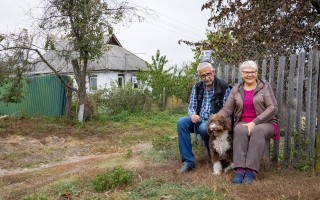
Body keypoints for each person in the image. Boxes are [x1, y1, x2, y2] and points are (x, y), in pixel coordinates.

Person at [217, 60, 279, 184]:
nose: (250, 75)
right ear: (241, 74)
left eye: (253, 72)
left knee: (257, 131)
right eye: (246, 72)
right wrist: (215, 118)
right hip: (244, 122)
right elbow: (227, 109)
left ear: (256, 73)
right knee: (239, 130)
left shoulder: (264, 86)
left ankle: (250, 171)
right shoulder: (236, 89)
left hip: (265, 122)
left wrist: (255, 122)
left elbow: (273, 108)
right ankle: (240, 170)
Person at [177, 62, 230, 174]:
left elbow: (227, 109)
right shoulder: (197, 87)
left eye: (208, 74)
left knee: (203, 128)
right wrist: (192, 115)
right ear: (199, 76)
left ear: (213, 72)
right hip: (199, 119)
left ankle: (214, 157)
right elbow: (191, 106)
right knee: (181, 122)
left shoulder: (224, 87)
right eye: (203, 76)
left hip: (214, 122)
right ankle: (188, 162)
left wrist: (214, 120)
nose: (206, 78)